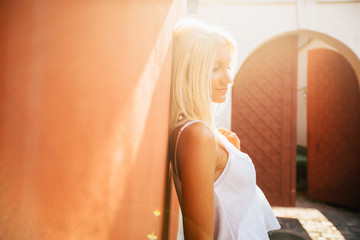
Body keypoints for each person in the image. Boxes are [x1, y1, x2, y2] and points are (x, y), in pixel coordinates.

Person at [168, 18, 280, 240]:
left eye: (228, 67)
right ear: (189, 71)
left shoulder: (204, 133)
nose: (229, 78)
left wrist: (231, 156)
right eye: (215, 68)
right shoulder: (196, 135)